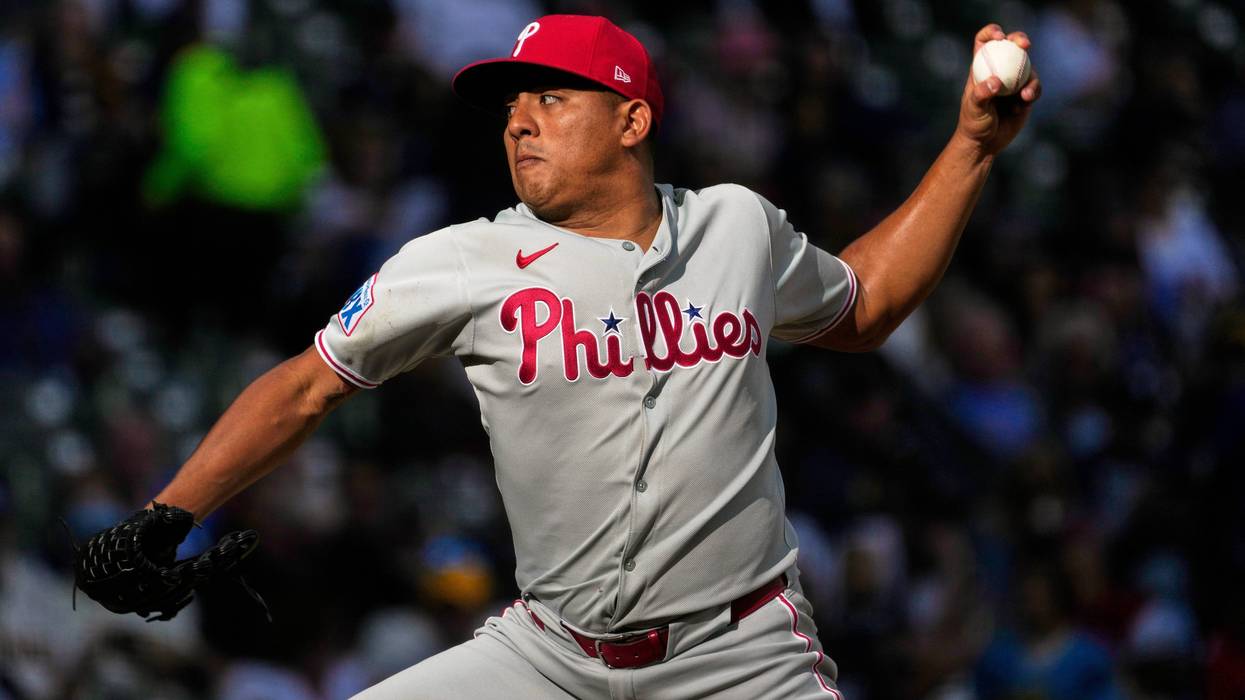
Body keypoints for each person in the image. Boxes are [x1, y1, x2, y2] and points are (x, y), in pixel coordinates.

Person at [81, 14, 1041, 698]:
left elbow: (861, 306)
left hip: (740, 658)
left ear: (632, 121)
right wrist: (170, 514)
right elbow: (303, 388)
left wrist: (967, 145)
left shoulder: (734, 227)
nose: (517, 120)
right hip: (548, 657)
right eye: (510, 106)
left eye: (549, 96)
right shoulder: (464, 260)